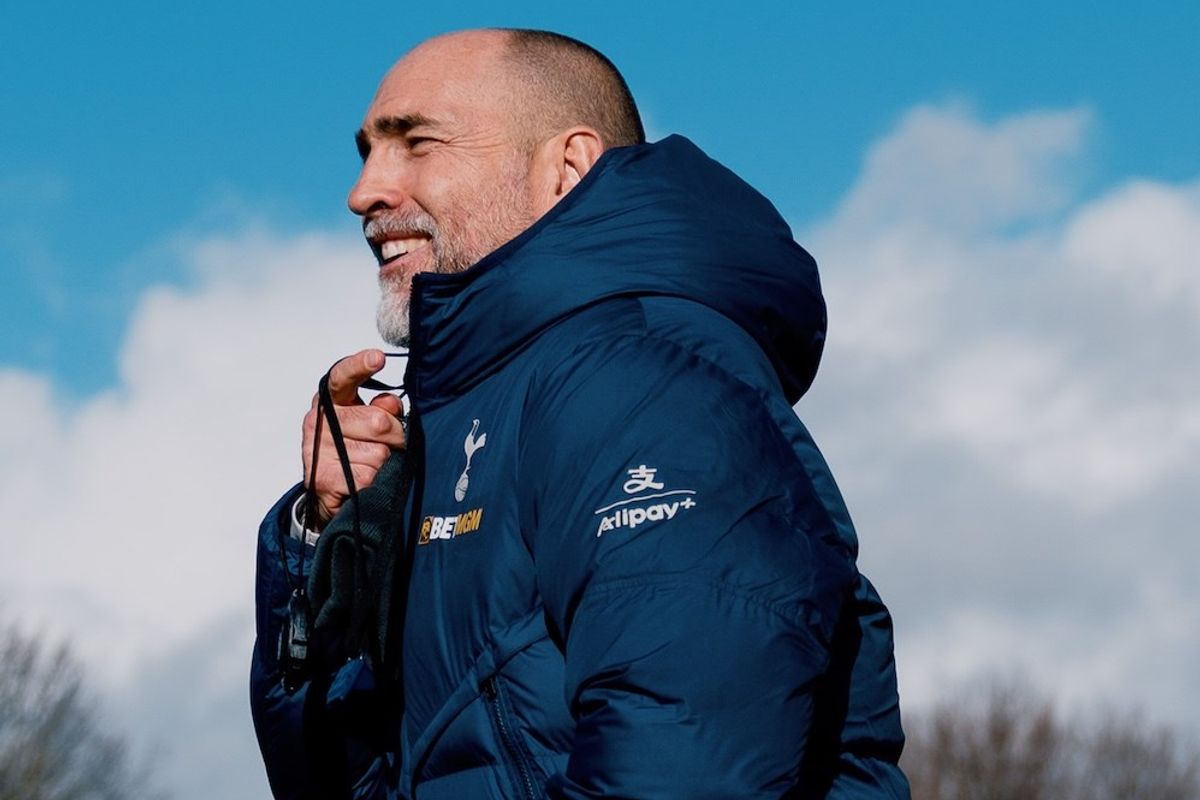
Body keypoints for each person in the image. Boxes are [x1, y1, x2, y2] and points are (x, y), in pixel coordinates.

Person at [250, 28, 910, 800]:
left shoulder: (641, 378)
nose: (364, 191)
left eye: (416, 143)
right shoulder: (473, 417)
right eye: (367, 151)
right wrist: (329, 536)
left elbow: (685, 769)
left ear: (567, 168)